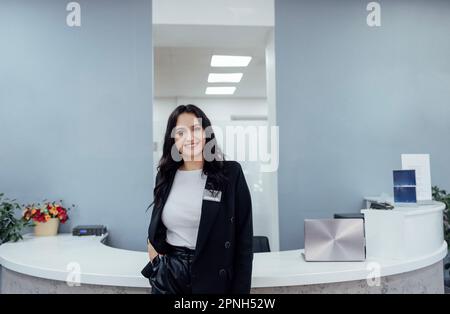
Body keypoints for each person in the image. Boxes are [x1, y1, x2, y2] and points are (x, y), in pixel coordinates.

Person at [141, 104, 253, 294]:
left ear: (206, 133)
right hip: (170, 278)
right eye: (180, 132)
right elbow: (157, 226)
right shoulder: (165, 176)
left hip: (213, 277)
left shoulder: (230, 174)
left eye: (195, 129)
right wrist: (155, 261)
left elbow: (244, 242)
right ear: (173, 140)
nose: (189, 137)